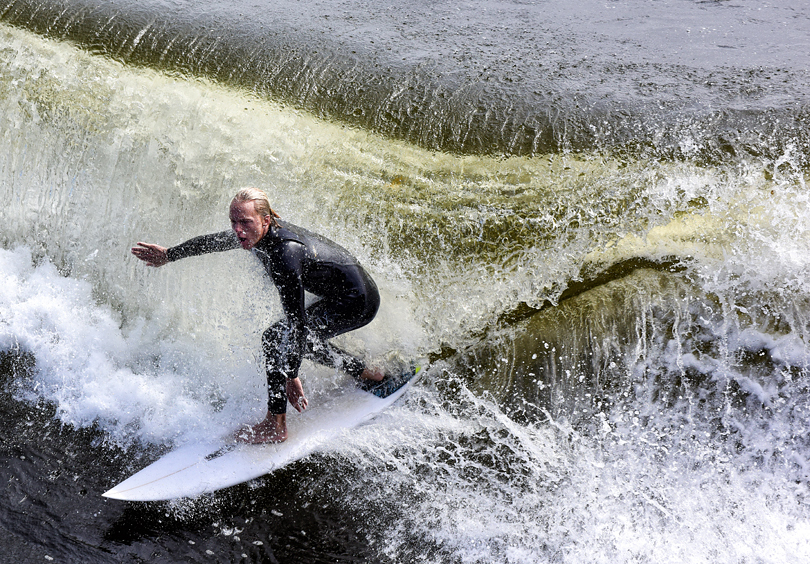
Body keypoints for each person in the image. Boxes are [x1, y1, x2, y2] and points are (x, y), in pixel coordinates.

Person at [132, 187, 384, 444]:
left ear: (266, 220)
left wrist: (292, 374)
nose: (237, 230)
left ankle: (276, 426)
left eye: (244, 222)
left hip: (357, 302)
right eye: (233, 222)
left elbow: (296, 323)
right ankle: (366, 372)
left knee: (276, 339)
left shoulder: (285, 255)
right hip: (343, 293)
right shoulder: (254, 234)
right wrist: (169, 255)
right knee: (299, 343)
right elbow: (215, 242)